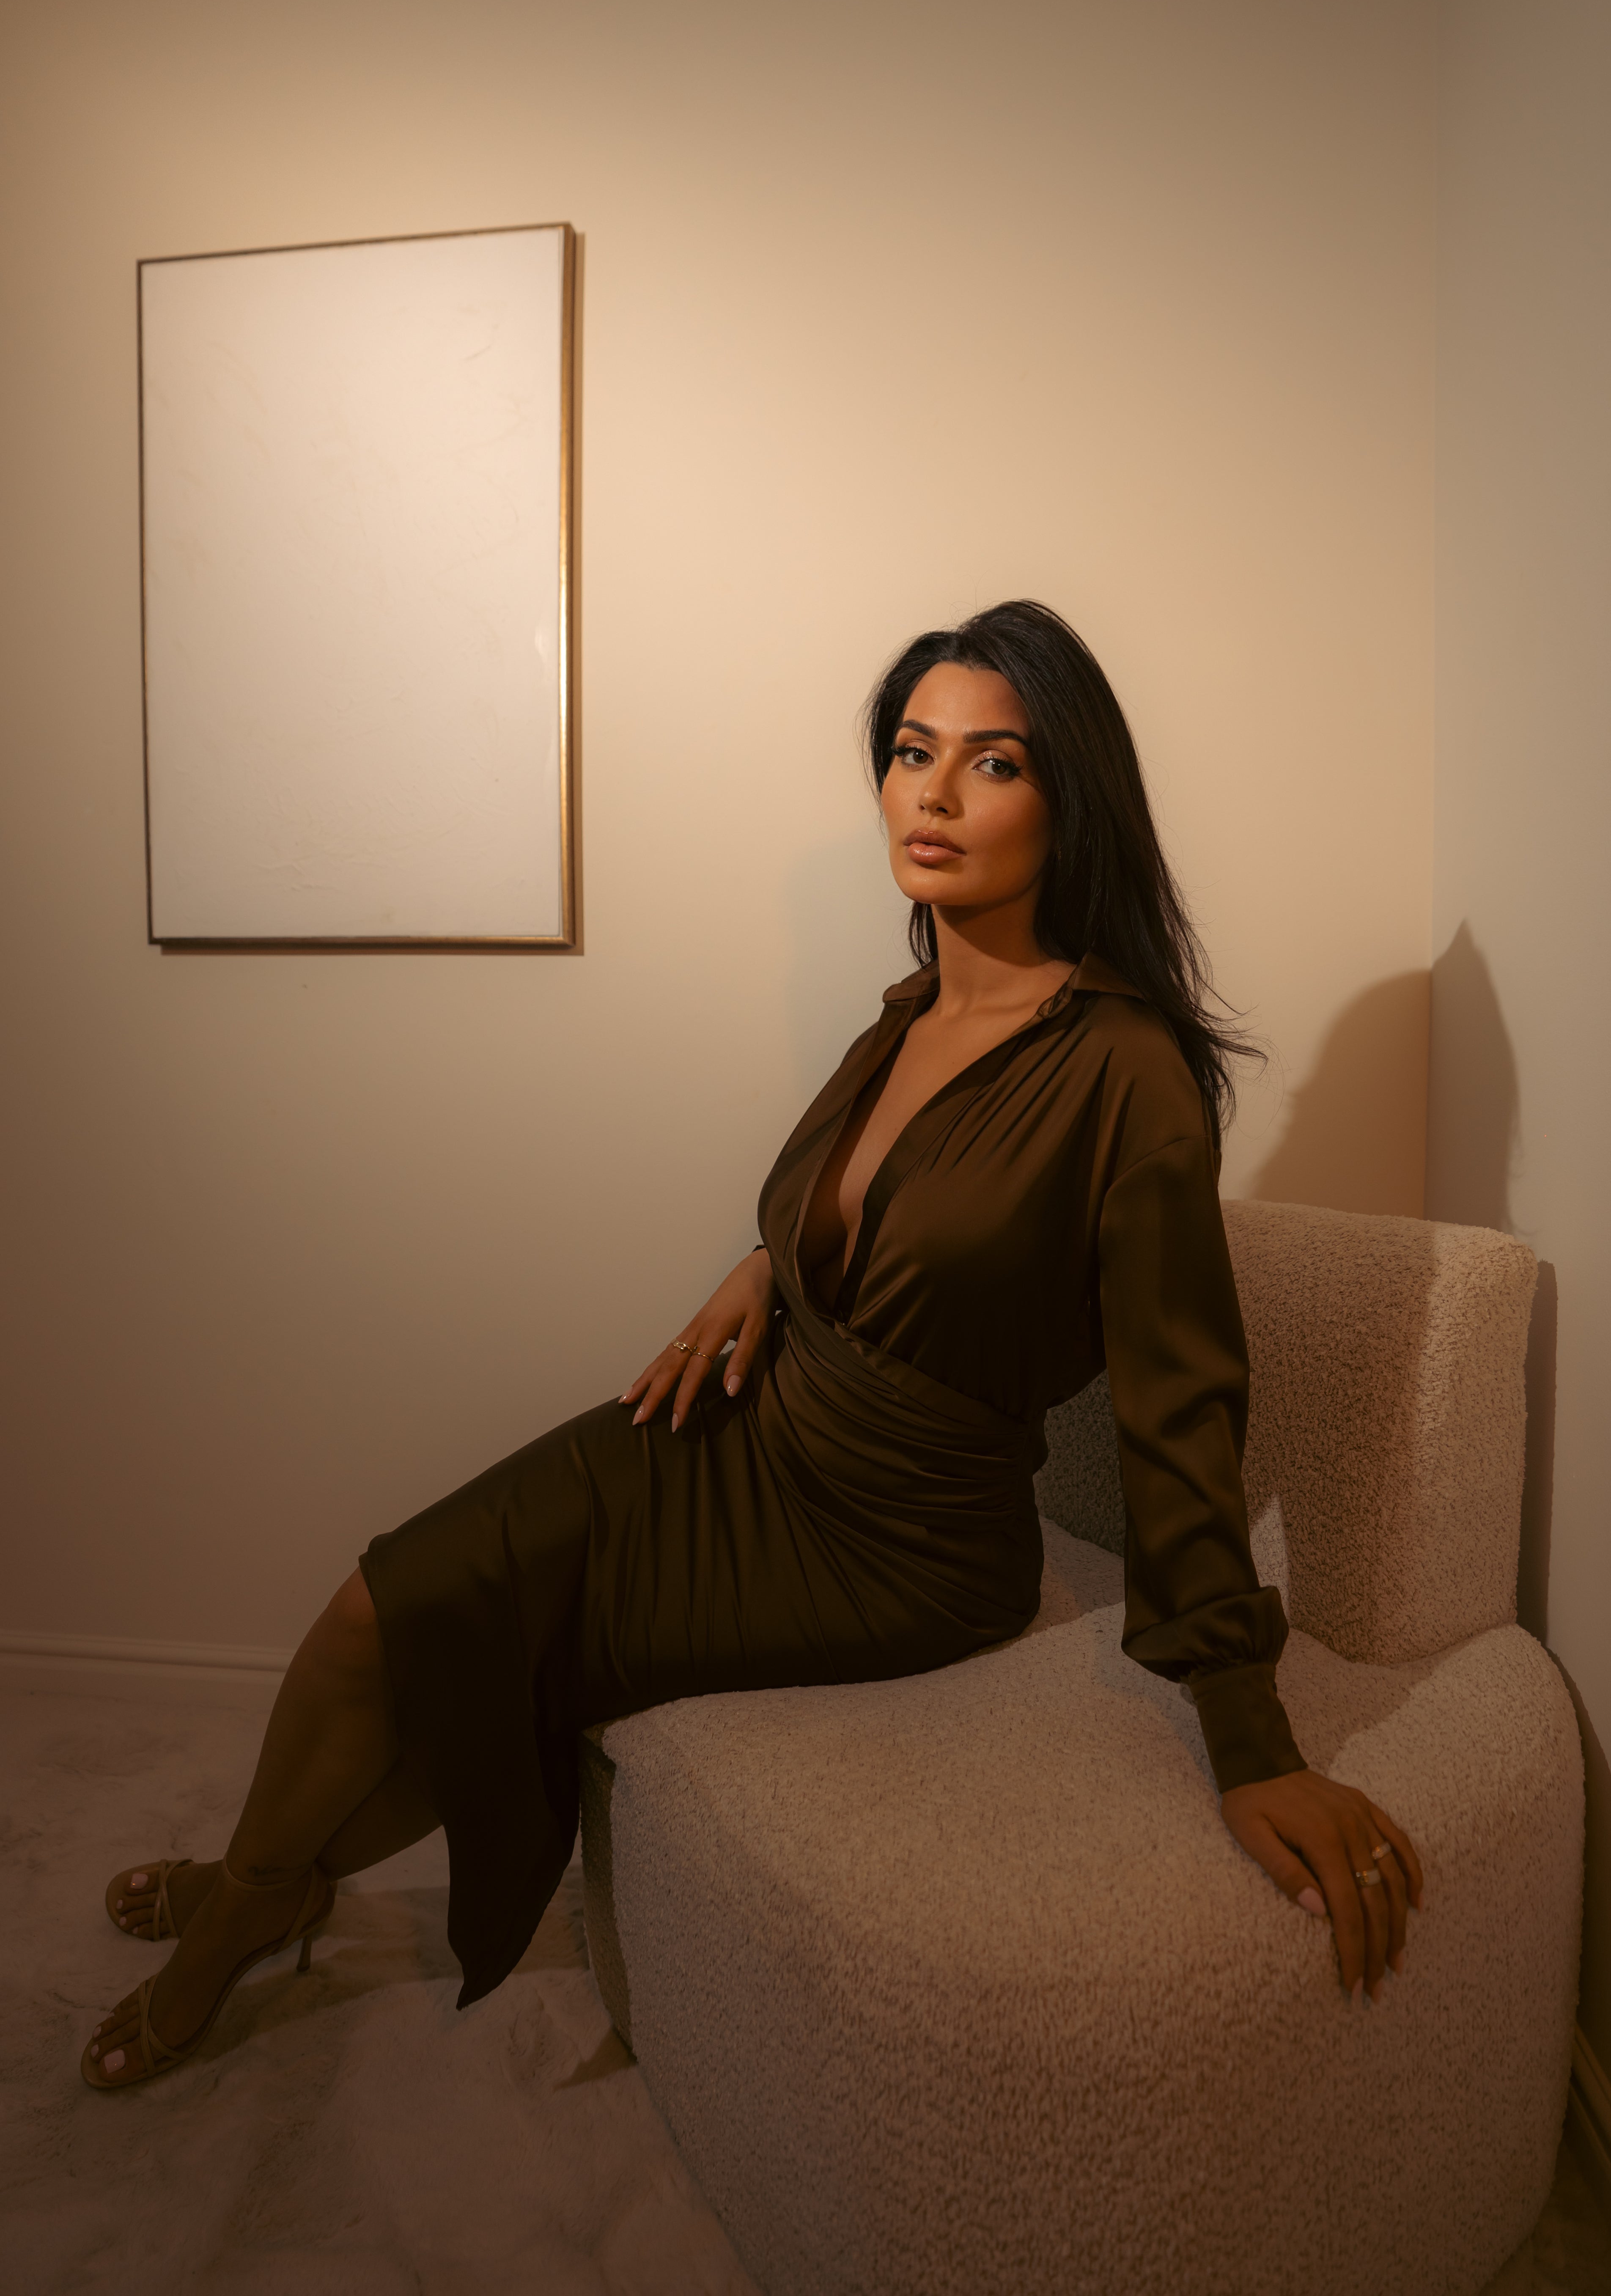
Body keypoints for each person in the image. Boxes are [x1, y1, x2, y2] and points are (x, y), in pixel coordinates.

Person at [85, 600, 1422, 2090]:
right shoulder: (906, 1012)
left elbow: (1181, 1402)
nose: (932, 792)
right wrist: (768, 1274)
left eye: (991, 763)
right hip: (756, 1428)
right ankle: (267, 1882)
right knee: (374, 1607)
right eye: (912, 752)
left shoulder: (1125, 1069)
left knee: (508, 1649)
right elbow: (888, 1211)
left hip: (894, 1541)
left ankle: (244, 1909)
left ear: (1070, 800)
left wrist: (1248, 1736)